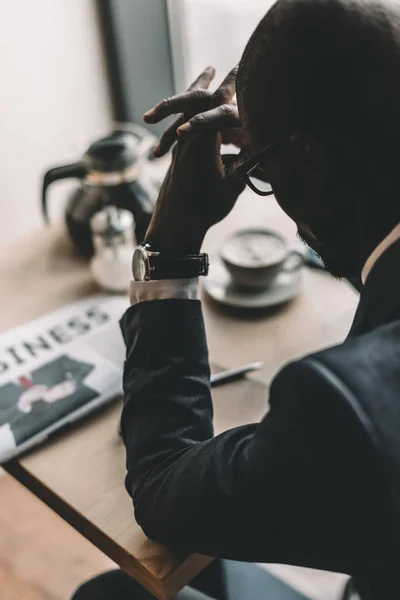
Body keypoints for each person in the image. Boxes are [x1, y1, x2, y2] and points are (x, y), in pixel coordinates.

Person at [73, 0, 400, 599]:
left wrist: (169, 245)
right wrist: (274, 132)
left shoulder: (341, 407)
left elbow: (163, 488)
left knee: (109, 595)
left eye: (263, 169)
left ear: (310, 161)